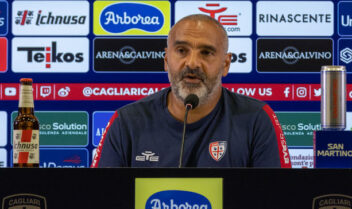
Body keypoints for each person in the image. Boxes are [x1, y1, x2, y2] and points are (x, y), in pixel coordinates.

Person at [91, 14, 291, 168]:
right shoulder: (126, 122)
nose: (193, 63)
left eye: (206, 52)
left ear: (226, 64)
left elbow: (276, 203)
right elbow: (100, 203)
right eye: (181, 51)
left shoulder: (257, 119)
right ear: (166, 61)